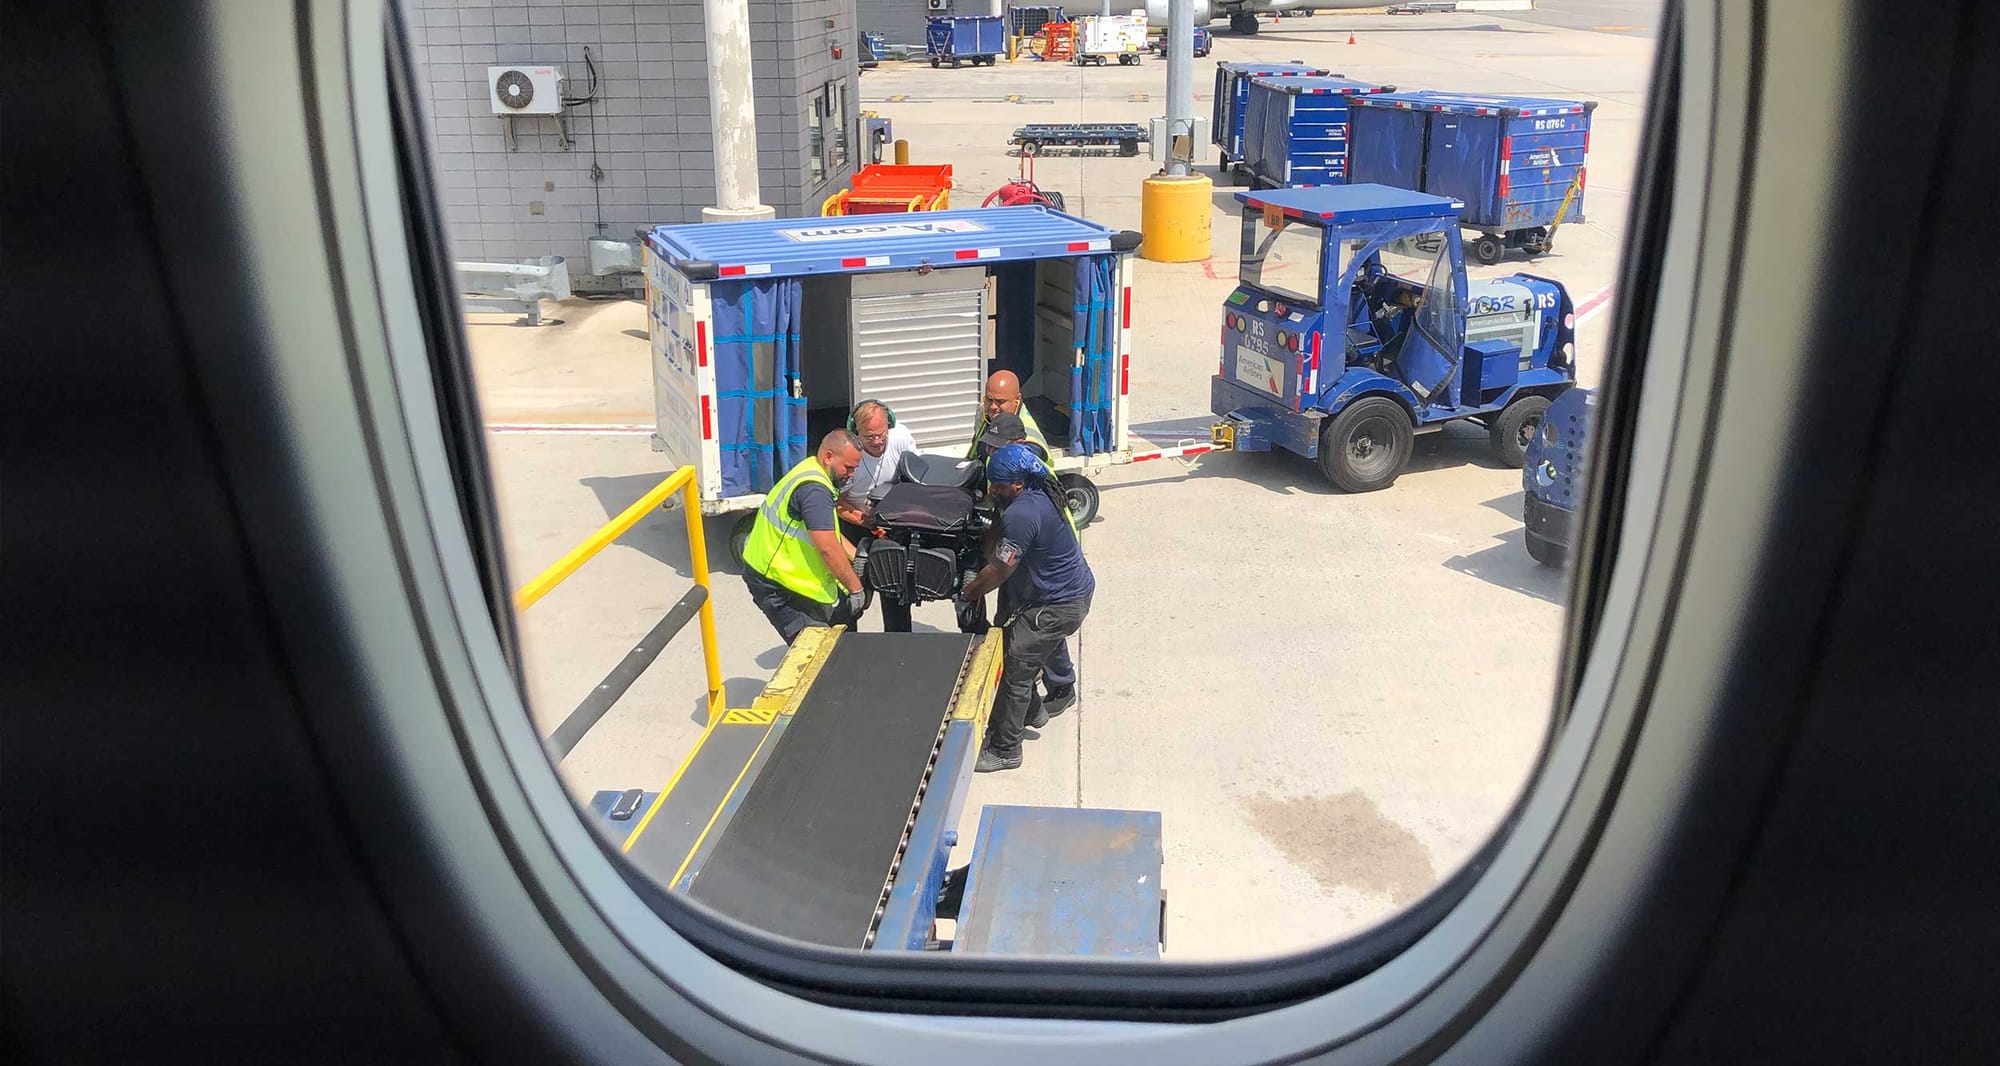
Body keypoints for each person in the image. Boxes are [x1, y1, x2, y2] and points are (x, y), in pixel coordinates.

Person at [959, 444, 1093, 773]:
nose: (992, 490)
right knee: (1013, 646)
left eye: (997, 486)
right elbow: (1001, 533)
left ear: (1015, 485)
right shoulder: (1036, 491)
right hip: (1058, 593)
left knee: (1016, 671)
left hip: (1059, 606)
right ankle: (1034, 712)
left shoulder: (1023, 513)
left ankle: (1006, 749)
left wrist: (969, 592)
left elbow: (1002, 568)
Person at [741, 430, 869, 645]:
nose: (851, 474)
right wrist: (856, 588)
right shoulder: (814, 491)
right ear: (828, 457)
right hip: (776, 586)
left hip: (788, 578)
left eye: (854, 469)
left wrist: (857, 557)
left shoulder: (812, 470)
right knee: (816, 652)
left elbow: (830, 535)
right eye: (848, 468)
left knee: (840, 629)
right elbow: (828, 548)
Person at [834, 399, 919, 536]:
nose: (877, 441)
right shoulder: (847, 456)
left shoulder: (901, 436)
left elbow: (916, 476)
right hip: (860, 523)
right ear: (856, 431)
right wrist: (872, 524)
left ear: (889, 425)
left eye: (881, 435)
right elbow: (838, 504)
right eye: (869, 436)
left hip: (898, 518)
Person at [967, 370, 1050, 460]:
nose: (993, 406)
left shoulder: (1028, 444)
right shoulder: (983, 412)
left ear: (1017, 399)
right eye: (989, 399)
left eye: (1000, 401)